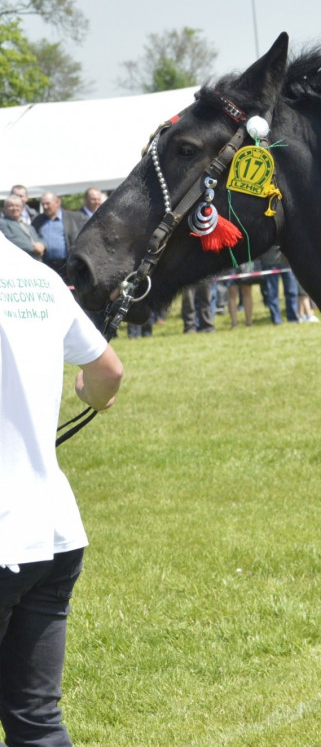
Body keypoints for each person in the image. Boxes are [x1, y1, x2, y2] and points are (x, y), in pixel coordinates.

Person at [0, 231, 123, 747]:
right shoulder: (36, 276)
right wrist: (90, 397)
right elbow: (107, 372)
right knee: (37, 719)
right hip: (52, 532)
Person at [31, 192, 86, 282]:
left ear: (57, 202)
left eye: (47, 204)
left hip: (66, 265)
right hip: (46, 265)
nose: (45, 207)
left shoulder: (73, 217)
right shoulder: (38, 220)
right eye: (43, 204)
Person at [259, 246, 300, 324]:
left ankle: (293, 318)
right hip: (270, 261)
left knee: (292, 291)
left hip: (287, 262)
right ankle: (276, 319)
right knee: (272, 292)